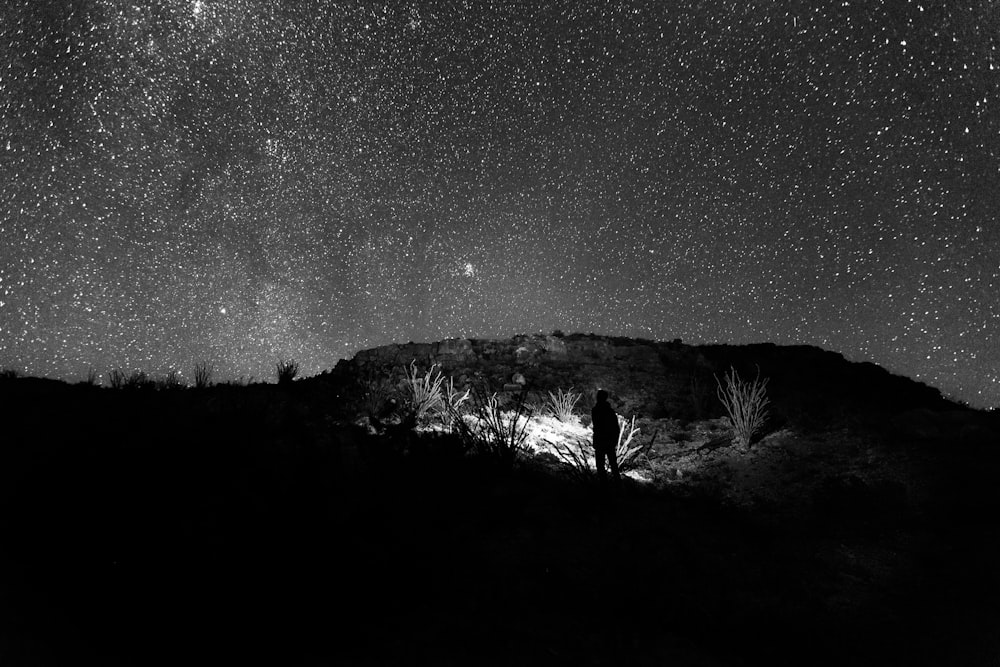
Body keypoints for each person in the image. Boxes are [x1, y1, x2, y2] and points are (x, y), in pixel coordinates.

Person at [591, 389, 621, 483]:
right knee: (613, 465)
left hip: (600, 441)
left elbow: (597, 426)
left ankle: (604, 486)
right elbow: (616, 428)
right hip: (609, 442)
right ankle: (617, 485)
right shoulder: (610, 412)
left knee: (600, 465)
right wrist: (614, 441)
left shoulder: (595, 410)